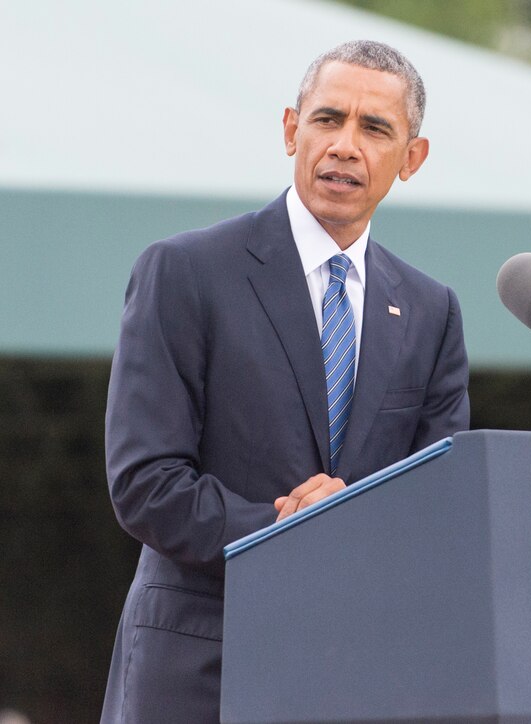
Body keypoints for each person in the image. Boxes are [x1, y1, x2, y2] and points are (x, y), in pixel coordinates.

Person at [100, 40, 469, 723]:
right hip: (197, 670)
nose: (345, 145)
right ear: (290, 128)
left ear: (411, 159)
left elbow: (438, 509)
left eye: (375, 128)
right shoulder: (185, 273)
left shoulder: (430, 311)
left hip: (357, 678)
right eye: (328, 119)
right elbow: (144, 482)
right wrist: (288, 529)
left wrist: (342, 529)